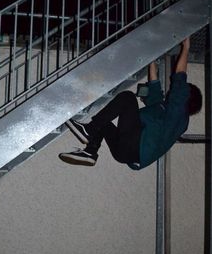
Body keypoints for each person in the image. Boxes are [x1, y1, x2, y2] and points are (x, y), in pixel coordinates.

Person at [59, 37, 202, 170]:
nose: (173, 90)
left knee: (127, 98)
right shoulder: (165, 114)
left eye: (181, 91)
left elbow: (179, 79)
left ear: (186, 97)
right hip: (124, 153)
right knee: (104, 123)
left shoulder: (179, 116)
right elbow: (154, 90)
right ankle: (90, 152)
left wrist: (186, 47)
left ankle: (89, 130)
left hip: (134, 145)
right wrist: (152, 59)